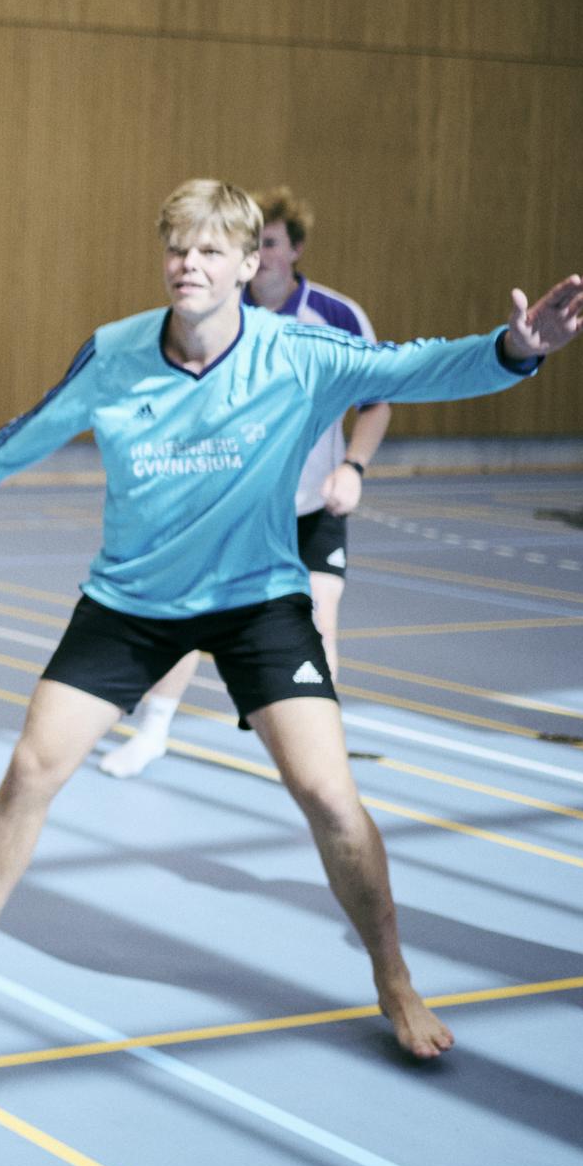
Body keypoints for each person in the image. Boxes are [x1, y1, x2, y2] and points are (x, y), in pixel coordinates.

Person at [0, 179, 583, 1058]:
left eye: (211, 251)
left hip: (259, 599)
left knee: (331, 797)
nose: (189, 264)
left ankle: (395, 979)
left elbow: (410, 368)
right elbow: (33, 428)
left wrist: (514, 349)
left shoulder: (296, 352)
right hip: (131, 601)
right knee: (32, 767)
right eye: (178, 248)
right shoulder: (113, 353)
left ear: (249, 262)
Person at [101, 186, 388, 777]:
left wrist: (352, 468)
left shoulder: (334, 317)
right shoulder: (218, 315)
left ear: (292, 251)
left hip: (311, 508)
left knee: (319, 619)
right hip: (233, 506)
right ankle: (153, 731)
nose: (264, 254)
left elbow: (377, 402)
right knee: (186, 617)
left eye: (274, 243)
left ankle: (319, 749)